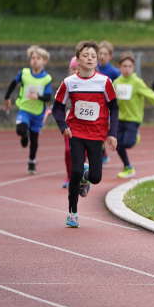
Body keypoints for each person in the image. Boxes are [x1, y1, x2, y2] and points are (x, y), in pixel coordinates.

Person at [52, 41, 119, 228]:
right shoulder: (69, 83)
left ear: (97, 60)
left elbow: (114, 108)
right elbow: (57, 107)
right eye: (86, 55)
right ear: (78, 59)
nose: (90, 58)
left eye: (93, 56)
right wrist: (62, 126)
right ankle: (72, 212)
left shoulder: (104, 82)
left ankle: (87, 174)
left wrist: (112, 134)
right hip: (76, 133)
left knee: (96, 178)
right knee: (75, 171)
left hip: (97, 135)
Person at [113, 52, 154, 178]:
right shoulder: (116, 83)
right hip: (119, 118)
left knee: (128, 143)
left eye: (129, 66)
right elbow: (110, 101)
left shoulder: (137, 82)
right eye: (124, 66)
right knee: (117, 144)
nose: (127, 69)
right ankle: (128, 167)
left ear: (133, 68)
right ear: (120, 67)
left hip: (133, 119)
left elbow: (150, 94)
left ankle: (135, 136)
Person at [3, 45, 53, 175]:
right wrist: (7, 97)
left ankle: (32, 160)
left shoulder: (46, 78)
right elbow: (13, 83)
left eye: (38, 58)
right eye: (33, 58)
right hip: (24, 109)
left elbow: (48, 97)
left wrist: (38, 96)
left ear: (44, 61)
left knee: (35, 140)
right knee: (21, 129)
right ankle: (24, 136)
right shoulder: (24, 73)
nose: (35, 60)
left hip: (38, 112)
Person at [61, 57, 79, 188]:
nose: (75, 71)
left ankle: (81, 178)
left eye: (78, 69)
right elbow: (58, 103)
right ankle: (69, 176)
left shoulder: (91, 85)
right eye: (73, 69)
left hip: (85, 126)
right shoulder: (66, 84)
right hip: (69, 123)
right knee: (68, 151)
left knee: (82, 153)